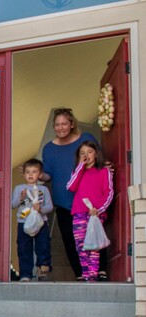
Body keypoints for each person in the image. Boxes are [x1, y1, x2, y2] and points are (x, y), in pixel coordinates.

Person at [41, 108, 103, 281]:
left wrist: (108, 167)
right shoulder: (49, 148)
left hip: (88, 202)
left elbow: (99, 161)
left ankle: (100, 271)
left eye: (64, 124)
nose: (60, 128)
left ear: (72, 124)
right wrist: (39, 175)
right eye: (57, 125)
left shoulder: (86, 139)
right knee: (70, 241)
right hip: (63, 202)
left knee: (94, 235)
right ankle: (80, 275)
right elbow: (48, 174)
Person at [66, 141, 114, 282]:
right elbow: (71, 187)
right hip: (79, 213)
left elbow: (109, 192)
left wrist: (99, 209)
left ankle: (93, 275)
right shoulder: (77, 171)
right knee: (80, 245)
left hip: (95, 214)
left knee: (94, 245)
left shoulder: (104, 171)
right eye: (82, 153)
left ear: (96, 153)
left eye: (89, 152)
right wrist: (80, 166)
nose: (86, 155)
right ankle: (86, 274)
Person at [12, 158, 54, 282]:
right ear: (24, 174)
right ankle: (25, 274)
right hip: (23, 223)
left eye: (34, 171)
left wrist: (41, 209)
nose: (30, 175)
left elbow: (50, 207)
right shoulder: (19, 188)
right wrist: (20, 198)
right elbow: (12, 205)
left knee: (43, 246)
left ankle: (43, 271)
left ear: (40, 175)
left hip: (41, 223)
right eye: (28, 172)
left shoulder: (44, 189)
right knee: (24, 248)